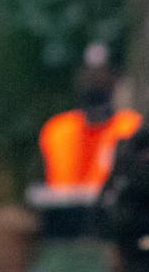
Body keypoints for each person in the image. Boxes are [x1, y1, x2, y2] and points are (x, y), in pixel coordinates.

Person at [38, 47, 141, 195]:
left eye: (102, 72)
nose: (95, 79)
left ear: (115, 78)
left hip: (112, 213)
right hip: (62, 211)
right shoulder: (57, 129)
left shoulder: (131, 126)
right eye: (89, 72)